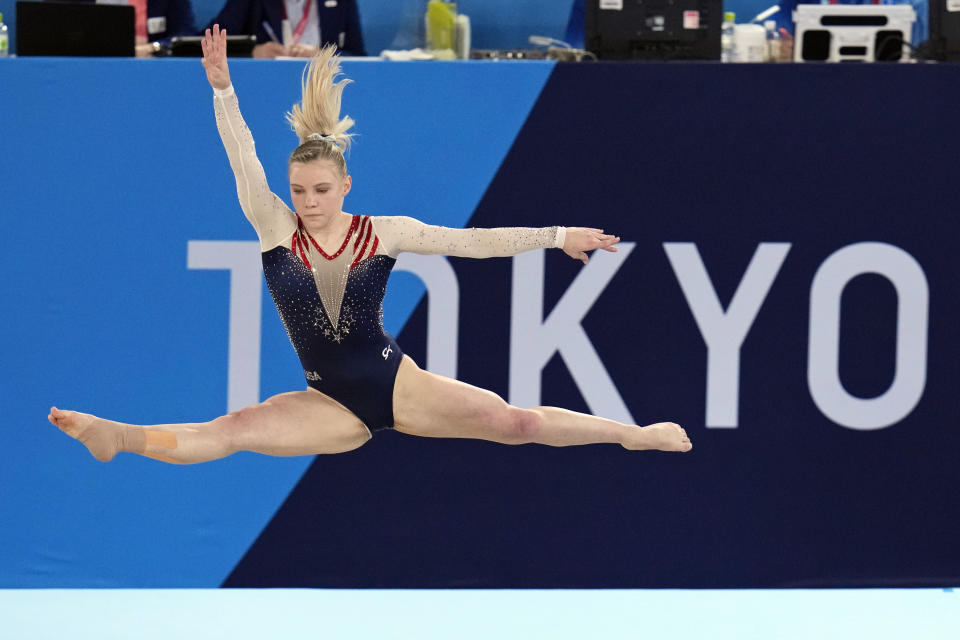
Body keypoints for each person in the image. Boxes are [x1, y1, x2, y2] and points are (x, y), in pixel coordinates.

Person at [48, 25, 691, 465]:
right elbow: (242, 158)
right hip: (327, 401)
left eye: (321, 190)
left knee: (515, 424)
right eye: (299, 189)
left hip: (396, 383)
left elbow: (473, 243)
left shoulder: (381, 232)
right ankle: (116, 436)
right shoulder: (276, 229)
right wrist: (222, 87)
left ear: (345, 184)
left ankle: (634, 435)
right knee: (231, 431)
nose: (308, 201)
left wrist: (556, 236)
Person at [206, 0, 365, 59]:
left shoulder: (342, 3)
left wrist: (323, 56)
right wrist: (252, 52)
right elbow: (206, 45)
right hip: (264, 86)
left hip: (322, 92)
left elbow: (359, 58)